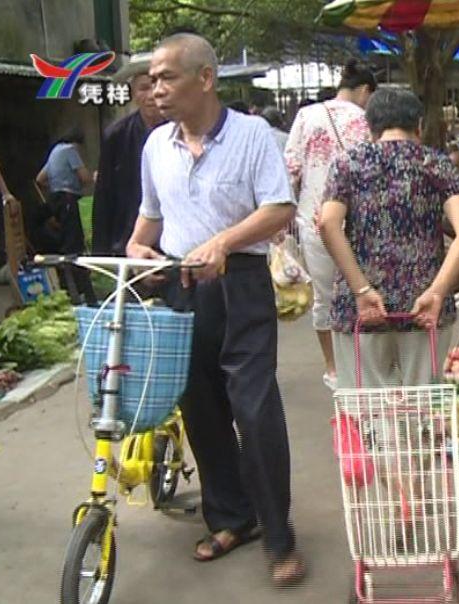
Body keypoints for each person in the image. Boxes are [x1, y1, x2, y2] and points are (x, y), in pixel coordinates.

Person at [126, 33, 305, 585]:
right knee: (200, 410)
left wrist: (224, 243)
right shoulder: (155, 146)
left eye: (166, 77)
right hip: (182, 290)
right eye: (151, 79)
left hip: (242, 285)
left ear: (205, 78)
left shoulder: (251, 136)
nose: (155, 88)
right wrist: (139, 252)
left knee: (254, 410)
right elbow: (147, 225)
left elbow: (279, 209)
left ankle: (279, 536)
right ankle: (232, 518)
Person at [318, 88, 459, 388]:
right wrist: (437, 291)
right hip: (423, 307)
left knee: (366, 410)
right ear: (418, 125)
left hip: (362, 309)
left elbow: (328, 224)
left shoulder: (348, 163)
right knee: (422, 413)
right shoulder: (436, 163)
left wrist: (360, 288)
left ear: (370, 126)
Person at [285, 59, 376, 391]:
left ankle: (333, 369)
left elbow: (291, 168)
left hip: (315, 218)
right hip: (360, 221)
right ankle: (365, 367)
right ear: (365, 90)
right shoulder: (367, 120)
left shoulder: (306, 115)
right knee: (364, 291)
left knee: (325, 298)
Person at [92, 56, 166, 255]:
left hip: (172, 237)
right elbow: (104, 195)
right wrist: (102, 251)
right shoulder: (117, 135)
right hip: (128, 235)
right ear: (133, 93)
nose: (151, 95)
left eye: (154, 86)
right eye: (143, 88)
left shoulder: (181, 130)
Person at [35, 126, 96, 302]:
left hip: (55, 200)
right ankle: (81, 291)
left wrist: (56, 186)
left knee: (63, 244)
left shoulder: (55, 151)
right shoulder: (71, 150)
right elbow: (84, 177)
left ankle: (66, 288)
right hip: (69, 199)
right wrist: (94, 178)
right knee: (74, 247)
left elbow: (40, 179)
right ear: (78, 143)